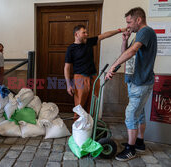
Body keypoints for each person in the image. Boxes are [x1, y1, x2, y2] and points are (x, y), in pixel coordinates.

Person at [105, 7, 157, 161]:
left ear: (138, 20)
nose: (128, 26)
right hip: (135, 81)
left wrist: (113, 67)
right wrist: (125, 40)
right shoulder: (138, 36)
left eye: (129, 22)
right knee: (138, 113)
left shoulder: (145, 32)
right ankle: (139, 143)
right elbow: (126, 53)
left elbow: (133, 51)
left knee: (130, 115)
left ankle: (131, 149)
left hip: (141, 82)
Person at [64, 25, 126, 119]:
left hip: (93, 78)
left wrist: (120, 30)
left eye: (86, 32)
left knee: (93, 105)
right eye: (84, 32)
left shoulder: (88, 42)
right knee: (79, 107)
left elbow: (104, 35)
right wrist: (68, 84)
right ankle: (78, 131)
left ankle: (92, 128)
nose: (86, 34)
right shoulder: (71, 49)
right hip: (80, 79)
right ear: (76, 34)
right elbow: (67, 68)